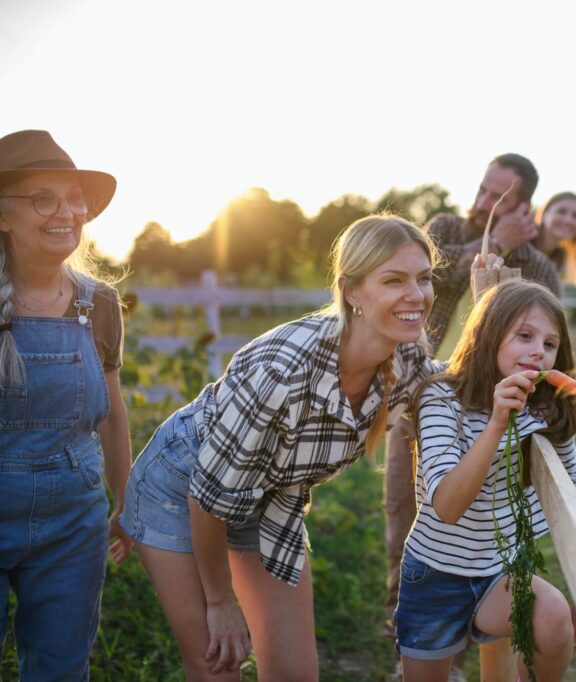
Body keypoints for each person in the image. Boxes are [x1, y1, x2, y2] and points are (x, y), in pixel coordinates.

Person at [120, 215, 445, 680]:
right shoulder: (284, 372)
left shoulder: (407, 355)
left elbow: (460, 383)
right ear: (351, 291)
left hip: (267, 499)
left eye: (424, 278)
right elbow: (206, 497)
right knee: (218, 664)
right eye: (394, 280)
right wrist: (220, 602)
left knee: (294, 673)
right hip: (181, 489)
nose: (417, 296)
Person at [384, 153, 562, 625]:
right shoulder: (445, 228)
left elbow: (549, 336)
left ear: (523, 207)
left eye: (497, 197)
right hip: (425, 394)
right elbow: (425, 275)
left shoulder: (538, 266)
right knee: (406, 508)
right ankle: (405, 619)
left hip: (494, 408)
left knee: (486, 518)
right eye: (483, 188)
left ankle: (479, 621)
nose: (482, 201)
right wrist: (487, 249)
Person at [396, 279, 576, 682]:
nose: (539, 350)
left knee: (553, 617)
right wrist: (498, 422)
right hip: (435, 575)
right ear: (489, 334)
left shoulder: (547, 409)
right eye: (525, 336)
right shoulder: (441, 400)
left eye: (550, 344)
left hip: (501, 573)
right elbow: (447, 507)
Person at [0, 129, 134, 680]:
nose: (67, 213)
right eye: (43, 199)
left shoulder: (98, 303)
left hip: (73, 521)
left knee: (60, 668)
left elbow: (114, 412)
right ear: (3, 216)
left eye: (74, 199)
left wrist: (126, 500)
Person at [533, 192, 576, 288]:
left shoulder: (559, 256)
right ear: (545, 214)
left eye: (575, 216)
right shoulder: (520, 244)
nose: (568, 220)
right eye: (561, 212)